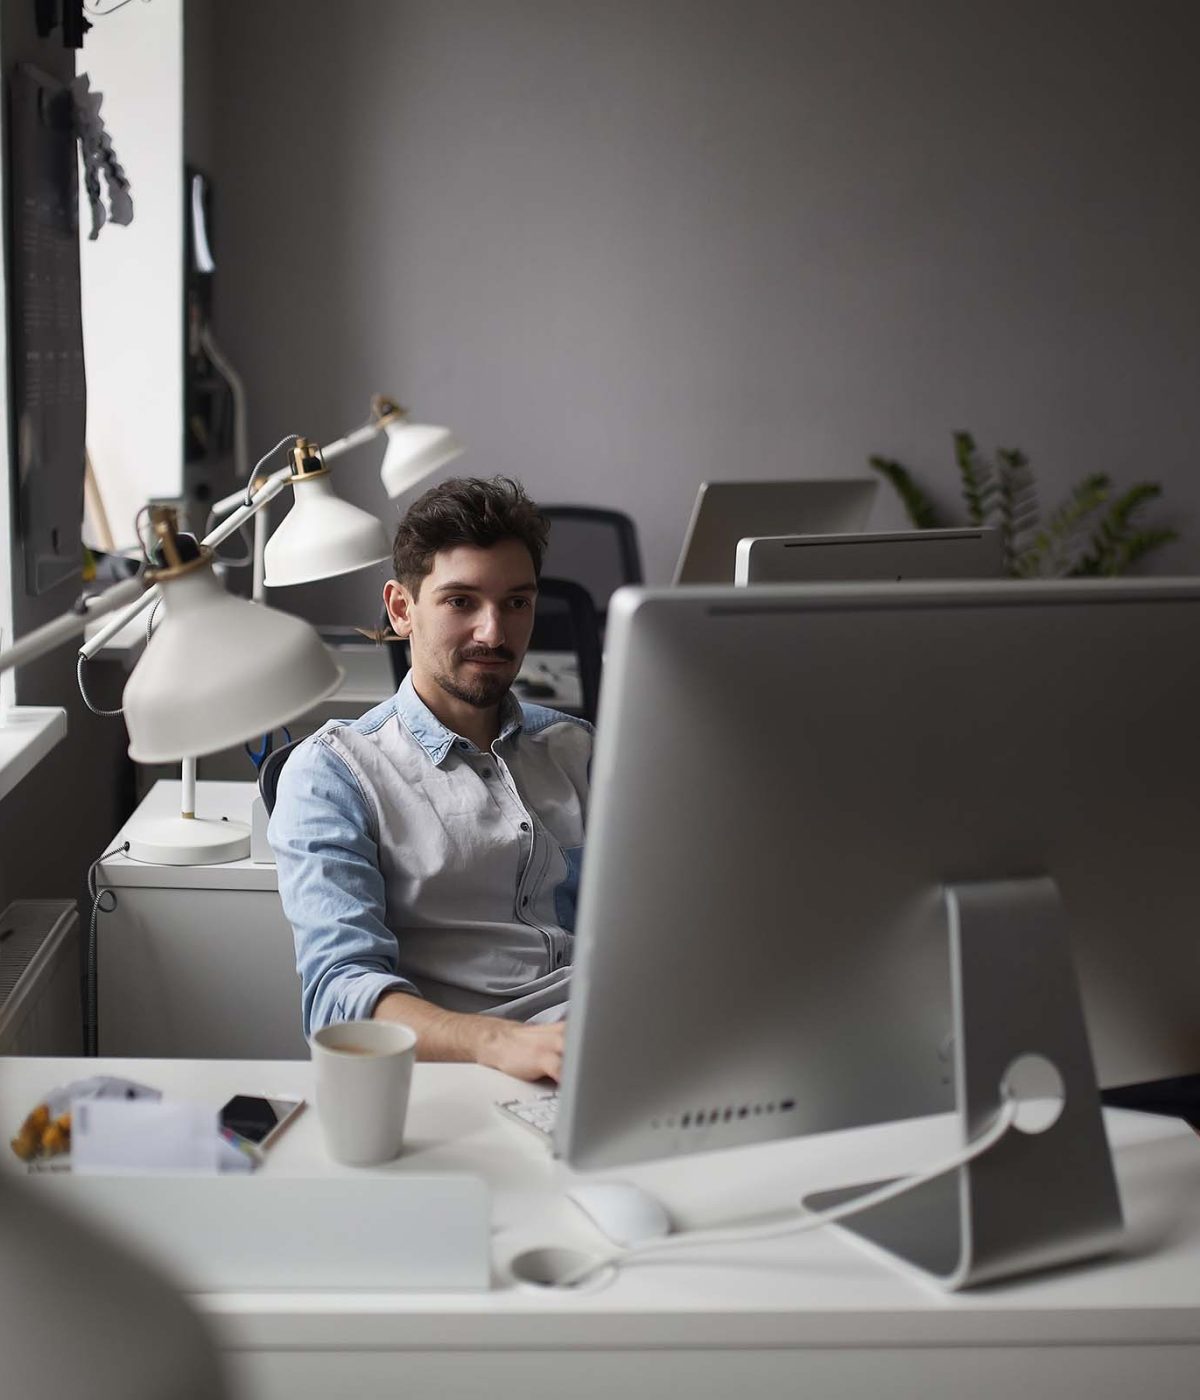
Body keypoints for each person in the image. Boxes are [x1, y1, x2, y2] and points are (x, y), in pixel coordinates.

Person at [269, 477, 591, 1083]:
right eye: (461, 601)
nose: (495, 634)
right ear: (401, 609)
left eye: (516, 602)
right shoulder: (333, 772)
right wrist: (501, 1043)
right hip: (467, 1071)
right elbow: (340, 996)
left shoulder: (576, 749)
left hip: (607, 1047)